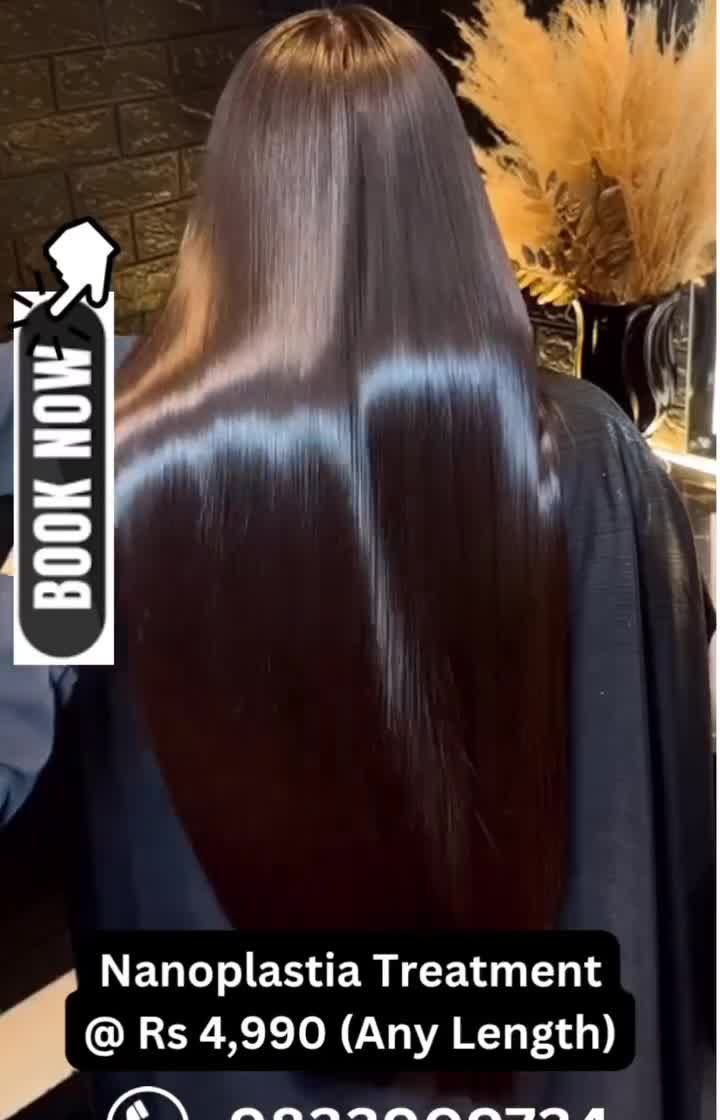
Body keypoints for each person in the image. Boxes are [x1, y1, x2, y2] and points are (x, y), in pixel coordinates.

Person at [0, 7, 714, 1118]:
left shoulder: (101, 457)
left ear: (229, 208)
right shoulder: (587, 454)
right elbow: (647, 785)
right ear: (449, 200)